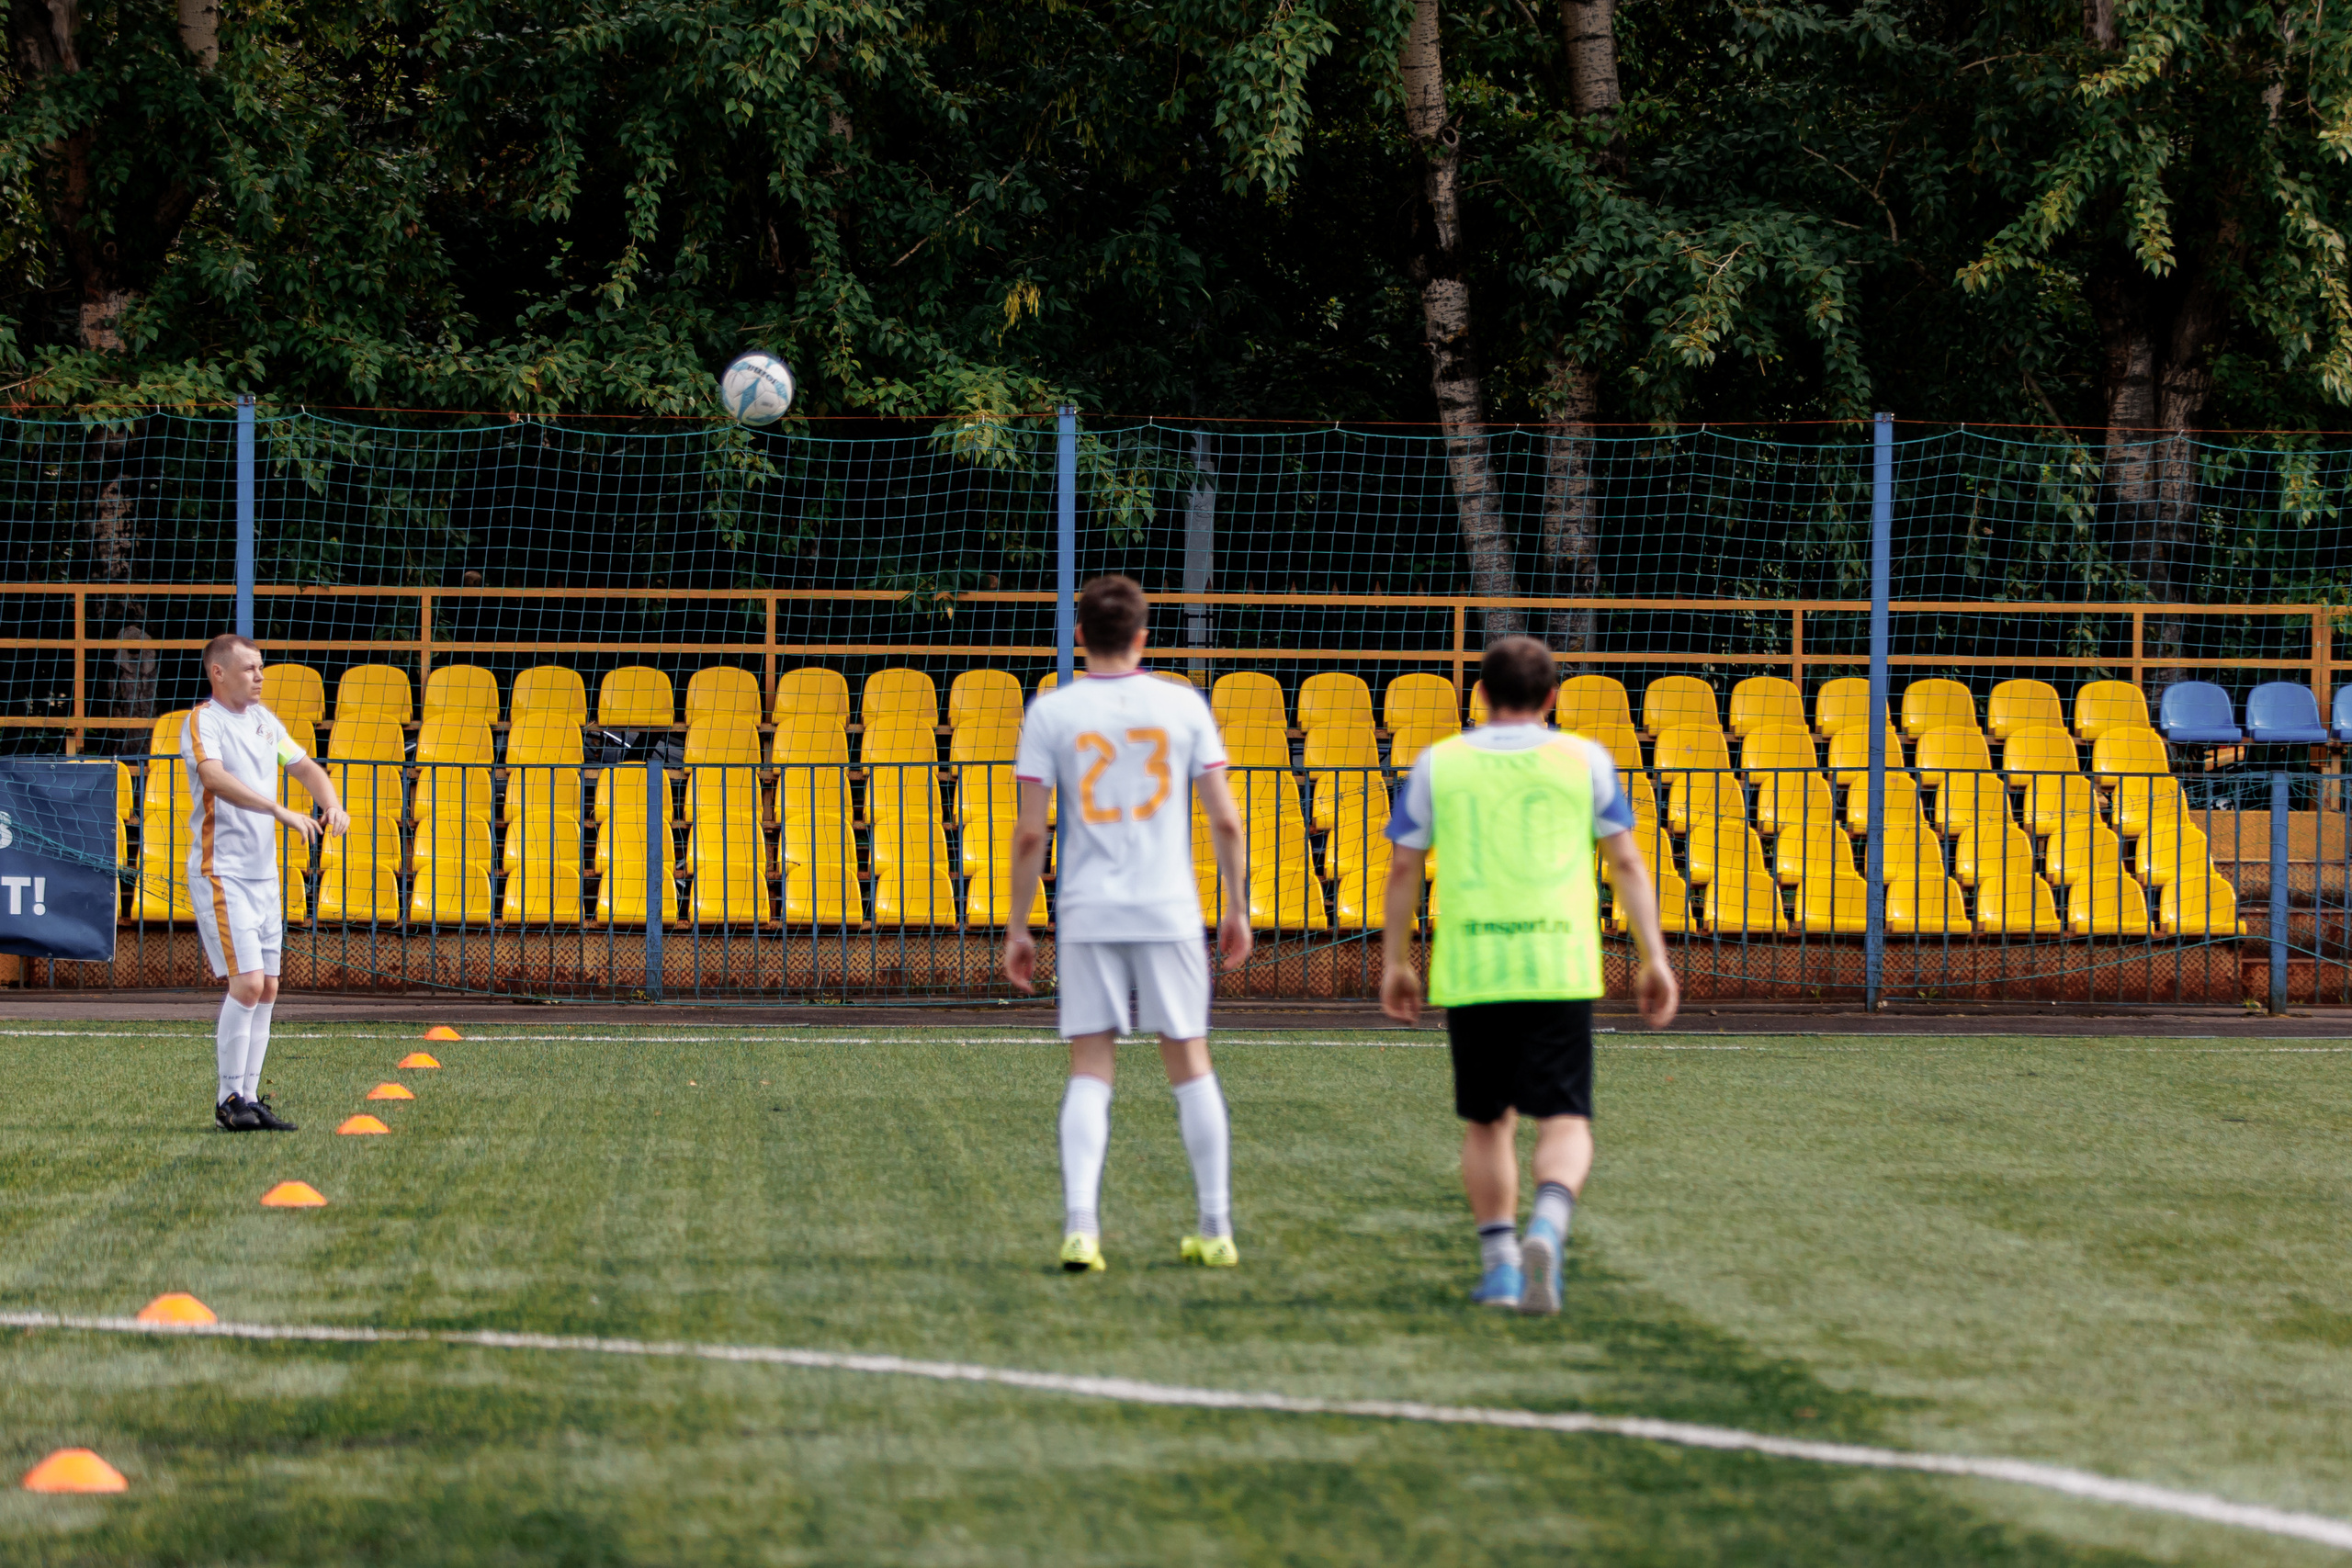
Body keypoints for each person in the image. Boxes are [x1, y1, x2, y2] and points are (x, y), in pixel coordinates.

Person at [1379, 636, 1679, 1314]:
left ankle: (1502, 1269)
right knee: (1565, 1118)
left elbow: (1403, 869)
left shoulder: (1438, 763)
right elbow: (1627, 863)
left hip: (1474, 965)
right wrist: (1654, 955)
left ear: (1480, 694)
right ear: (1551, 698)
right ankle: (1548, 1221)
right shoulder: (1586, 759)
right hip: (1559, 963)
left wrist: (1396, 961)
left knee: (1489, 1123)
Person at [1002, 575, 1252, 1273]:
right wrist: (1237, 906)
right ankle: (1216, 1229)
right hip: (1169, 907)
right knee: (1191, 1062)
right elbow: (1226, 819)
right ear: (1144, 636)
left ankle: (1082, 1229)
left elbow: (1031, 833)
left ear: (1080, 634)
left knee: (1091, 1066)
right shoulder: (1183, 704)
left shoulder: (1051, 711)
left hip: (1089, 909)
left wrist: (1019, 924)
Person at [183, 634, 349, 1131]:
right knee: (249, 983)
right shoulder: (204, 720)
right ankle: (227, 1099)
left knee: (269, 987)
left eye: (260, 667)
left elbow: (305, 767)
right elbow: (214, 778)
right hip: (223, 871)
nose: (259, 676)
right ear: (218, 673)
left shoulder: (263, 721)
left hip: (264, 875)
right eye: (250, 668)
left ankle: (250, 1098)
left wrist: (332, 804)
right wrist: (278, 809)